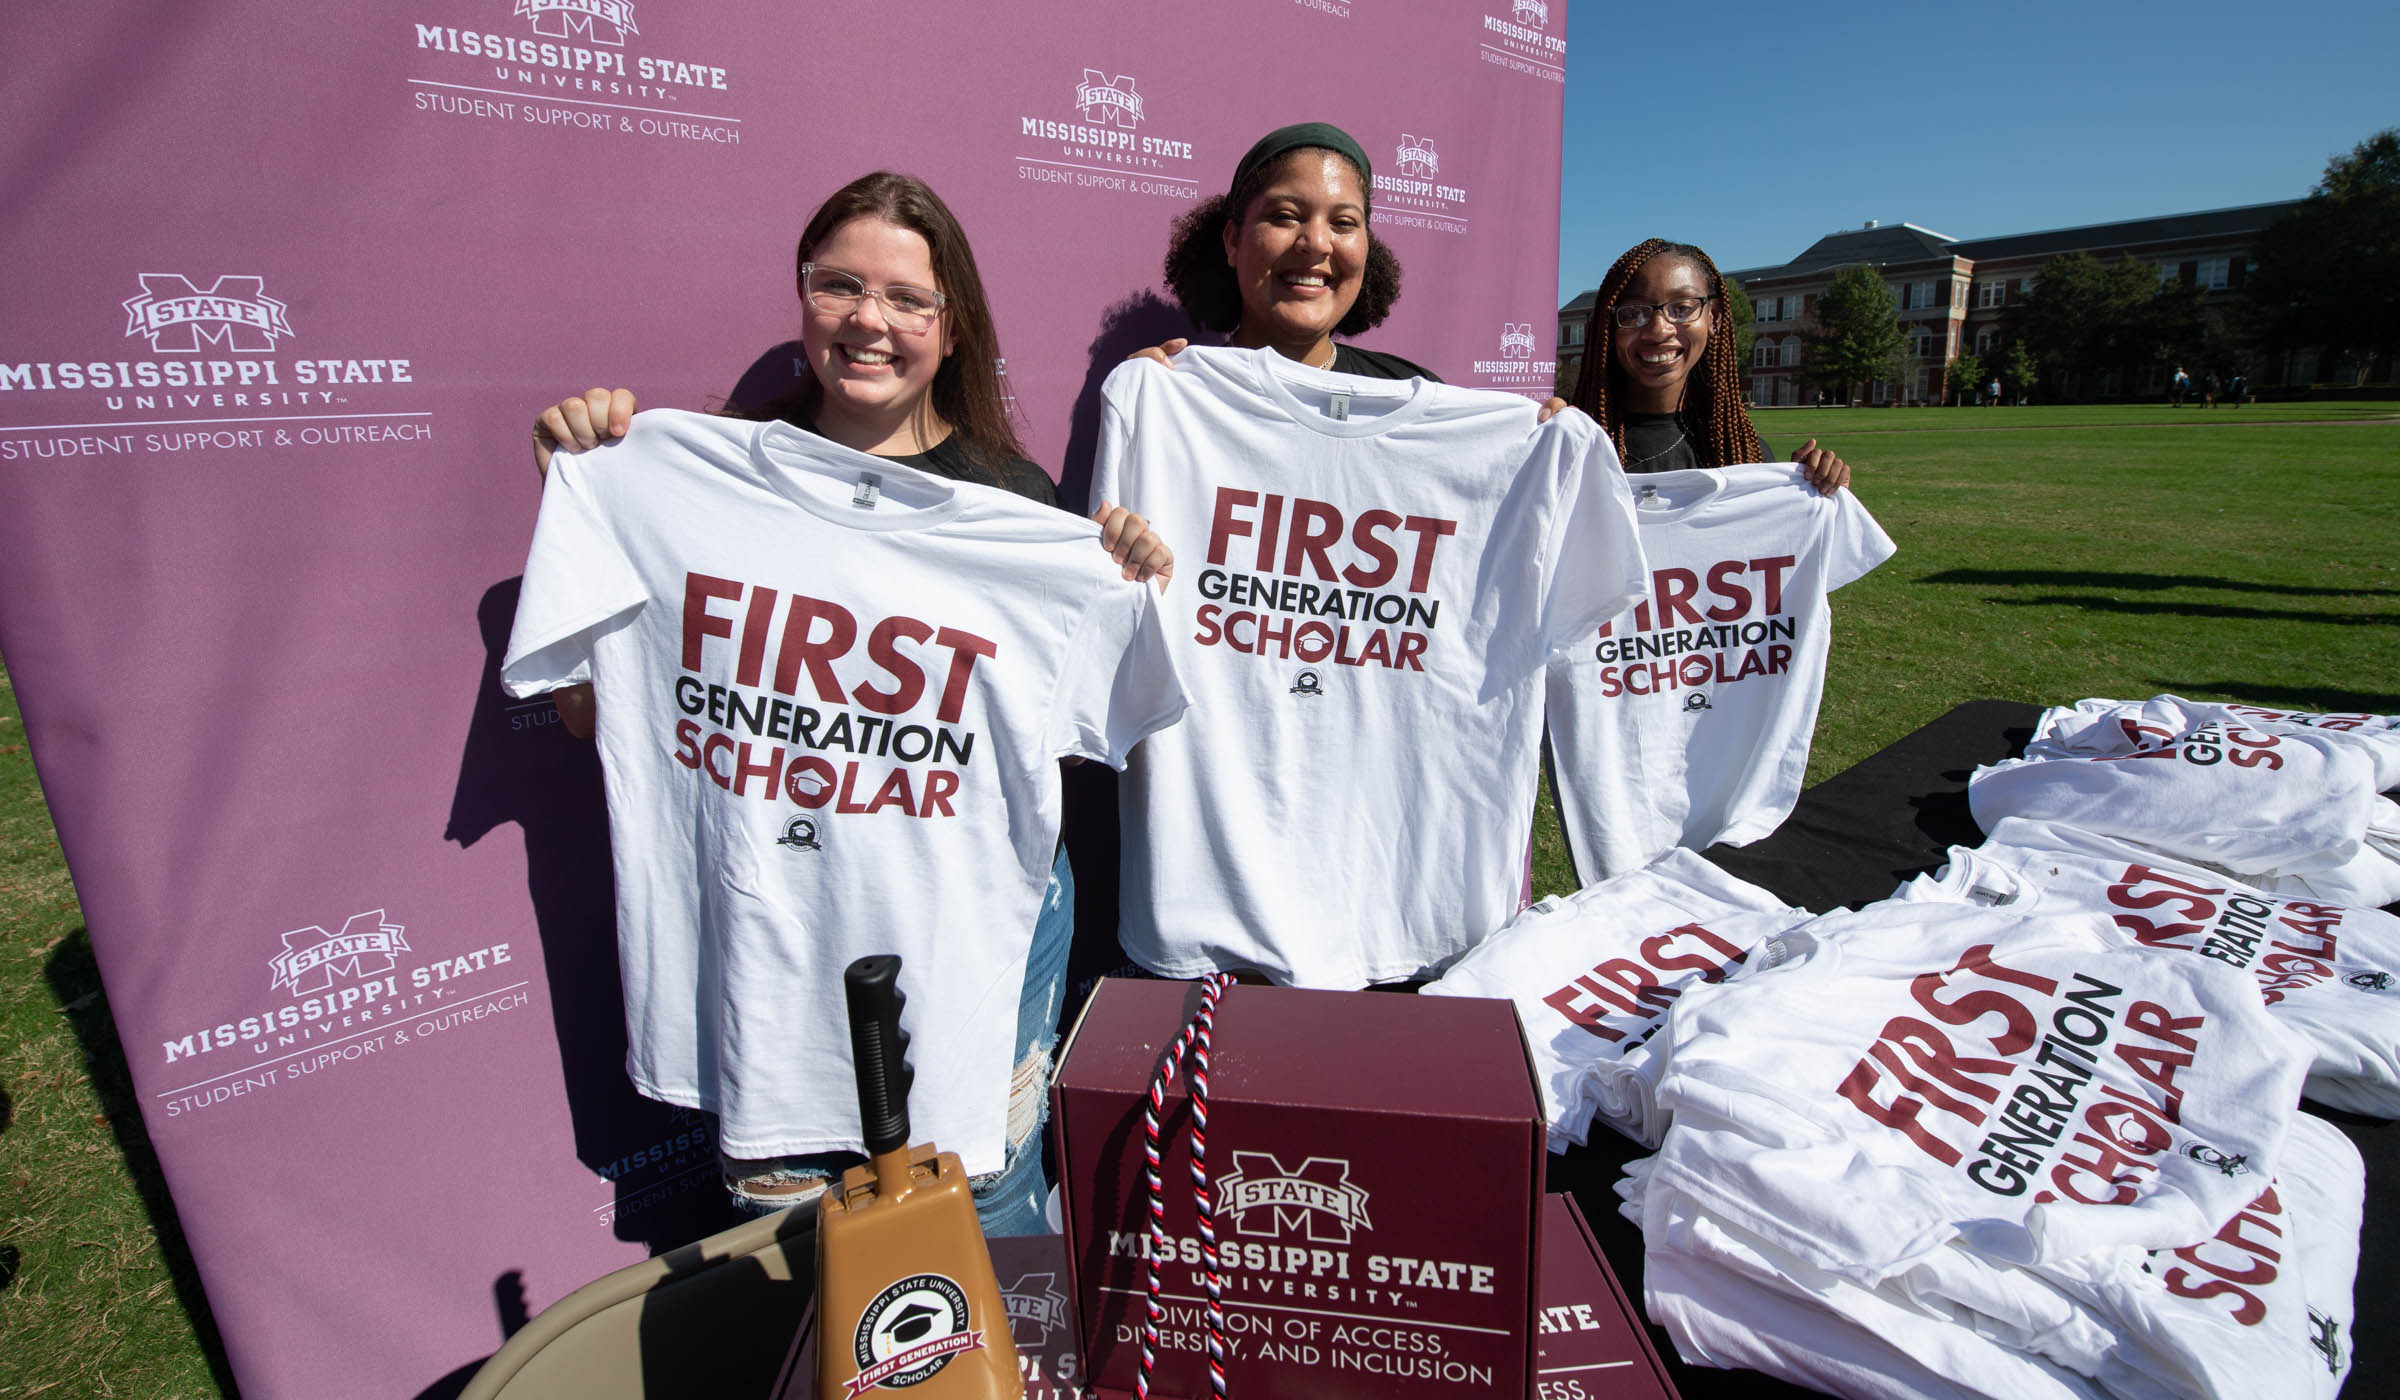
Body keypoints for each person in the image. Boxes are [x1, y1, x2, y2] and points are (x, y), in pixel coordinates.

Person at [524, 171, 1163, 1233]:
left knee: (986, 1197)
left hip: (969, 927)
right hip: (776, 923)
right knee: (795, 1232)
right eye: (839, 286)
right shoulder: (690, 480)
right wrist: (580, 492)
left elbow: (1076, 742)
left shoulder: (1018, 509)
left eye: (908, 298)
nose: (871, 319)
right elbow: (600, 720)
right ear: (802, 298)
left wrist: (1121, 578)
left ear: (951, 326)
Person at [1136, 121, 1427, 383]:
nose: (1316, 243)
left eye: (1343, 223)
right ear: (1234, 241)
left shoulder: (1415, 397)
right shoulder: (1176, 390)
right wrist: (1147, 404)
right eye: (1285, 216)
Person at [1566, 239, 1849, 491]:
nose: (1658, 330)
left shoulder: (1744, 454)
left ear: (1713, 318)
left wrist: (1802, 491)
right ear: (1610, 326)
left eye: (1682, 308)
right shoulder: (1569, 445)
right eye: (1633, 312)